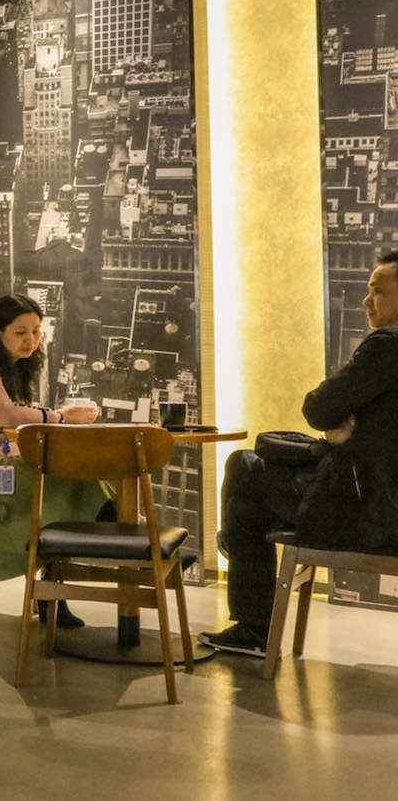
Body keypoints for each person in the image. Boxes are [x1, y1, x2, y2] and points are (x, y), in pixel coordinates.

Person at [201, 250, 398, 655]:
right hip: (379, 502)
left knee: (244, 471)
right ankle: (236, 543)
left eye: (378, 292)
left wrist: (343, 426)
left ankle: (253, 623)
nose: (367, 301)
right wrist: (347, 429)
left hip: (363, 512)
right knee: (260, 462)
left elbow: (318, 408)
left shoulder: (386, 346)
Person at [0, 294, 105, 628]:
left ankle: (52, 588)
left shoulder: (11, 368)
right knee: (64, 480)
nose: (30, 340)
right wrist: (63, 416)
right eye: (20, 332)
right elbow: (9, 416)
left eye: (36, 331)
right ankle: (113, 542)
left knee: (69, 474)